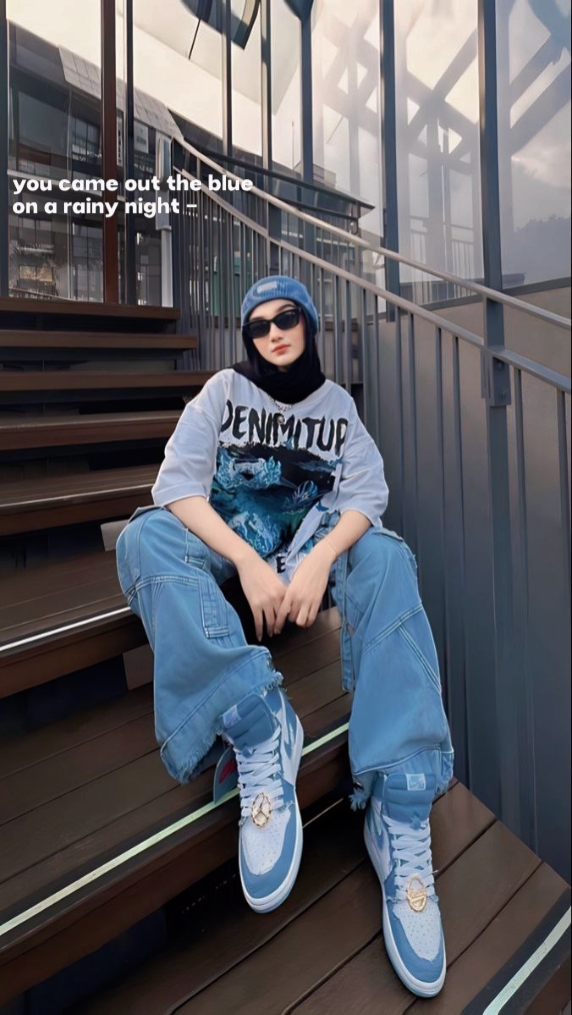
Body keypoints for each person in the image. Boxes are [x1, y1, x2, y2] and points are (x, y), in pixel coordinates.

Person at [116, 276, 454, 998]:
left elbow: (367, 494)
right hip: (228, 555)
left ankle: (399, 800)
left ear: (309, 324)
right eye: (260, 323)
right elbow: (175, 486)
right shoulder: (222, 392)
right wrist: (245, 562)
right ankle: (256, 718)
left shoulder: (337, 409)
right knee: (143, 540)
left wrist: (321, 558)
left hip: (304, 565)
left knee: (387, 555)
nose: (274, 332)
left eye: (287, 317)